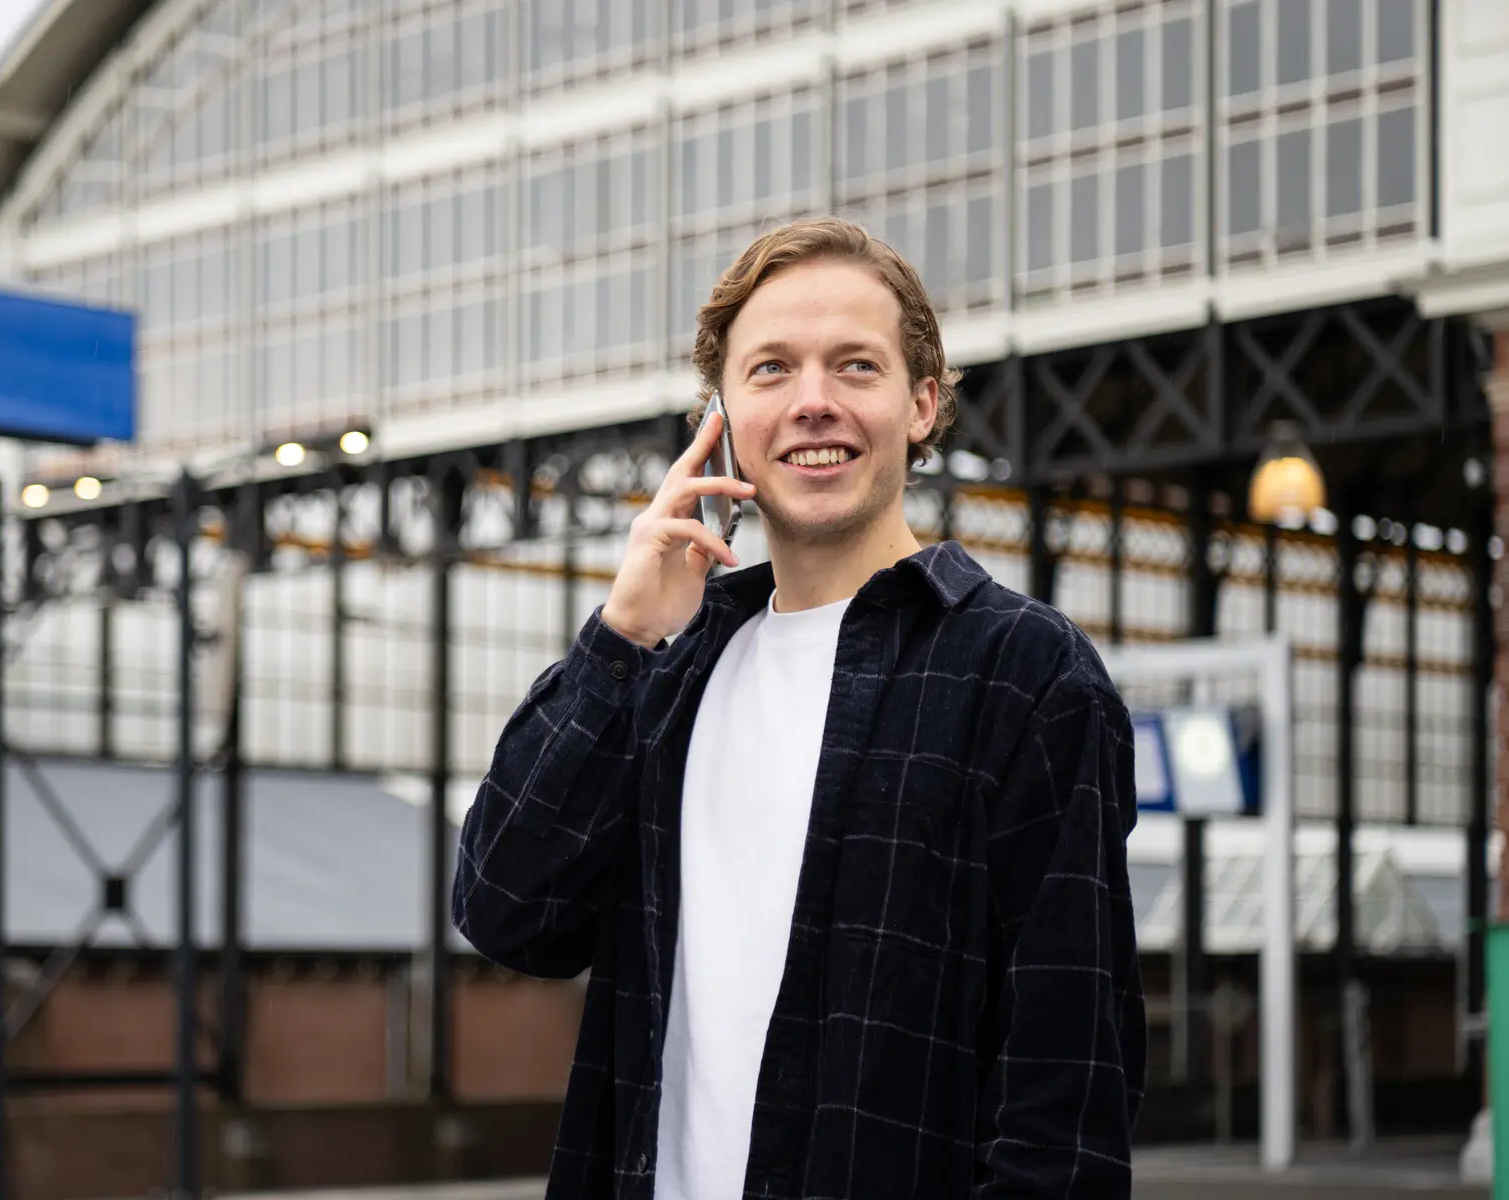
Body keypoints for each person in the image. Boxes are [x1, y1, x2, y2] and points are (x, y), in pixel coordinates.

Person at [453, 216, 1145, 1199]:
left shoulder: (1023, 674)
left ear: (923, 404)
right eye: (772, 369)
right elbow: (507, 911)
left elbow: (1065, 1092)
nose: (813, 403)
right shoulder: (669, 667)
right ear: (723, 413)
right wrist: (621, 638)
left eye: (855, 366)